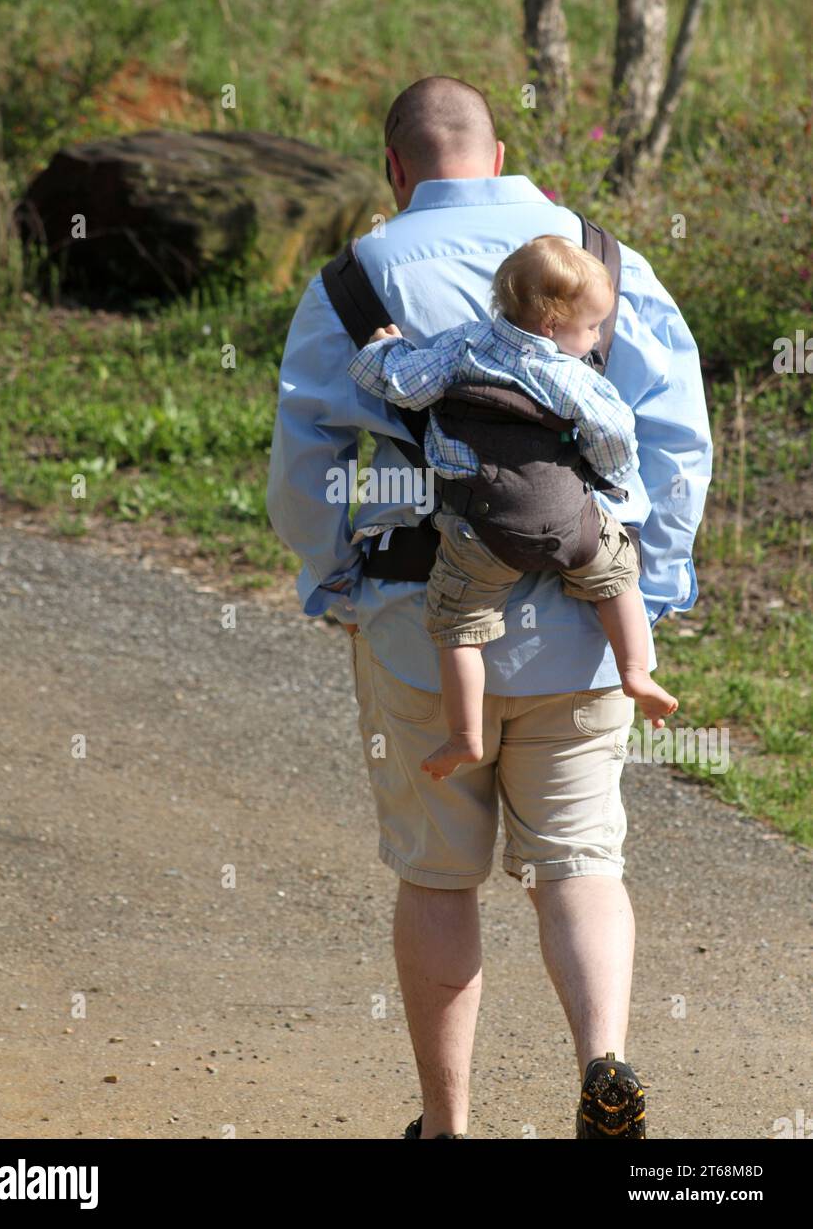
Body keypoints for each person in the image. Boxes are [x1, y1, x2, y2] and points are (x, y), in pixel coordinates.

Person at [266, 76, 712, 1138]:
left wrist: (331, 576)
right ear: (501, 150)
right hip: (582, 624)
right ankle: (602, 1064)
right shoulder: (605, 259)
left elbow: (308, 458)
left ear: (394, 170)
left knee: (437, 878)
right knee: (579, 865)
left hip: (422, 622)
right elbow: (675, 435)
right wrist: (647, 588)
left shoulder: (354, 277)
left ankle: (445, 1125)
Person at [348, 233, 679, 783]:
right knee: (618, 579)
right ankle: (636, 672)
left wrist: (385, 348)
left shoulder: (462, 346)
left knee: (457, 627)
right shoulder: (574, 377)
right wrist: (610, 478)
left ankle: (465, 734)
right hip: (571, 524)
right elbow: (616, 433)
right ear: (552, 325)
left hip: (482, 530)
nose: (596, 338)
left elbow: (401, 386)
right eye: (592, 326)